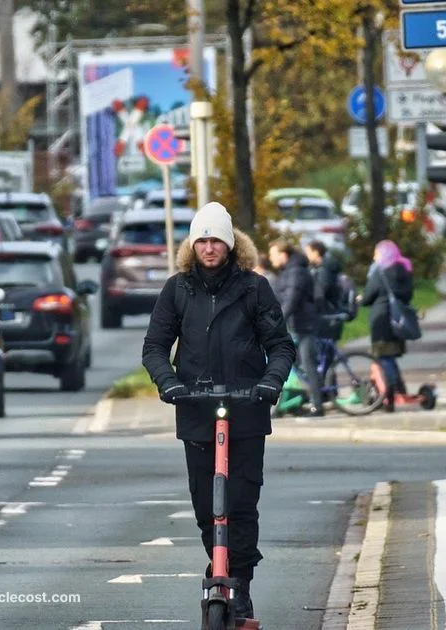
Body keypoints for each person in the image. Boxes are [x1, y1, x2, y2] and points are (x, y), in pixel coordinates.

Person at [142, 202, 296, 620]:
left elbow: (281, 346)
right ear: (193, 245)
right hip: (195, 410)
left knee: (242, 502)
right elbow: (155, 347)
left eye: (216, 240)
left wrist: (269, 383)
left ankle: (239, 583)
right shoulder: (177, 290)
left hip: (246, 410)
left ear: (230, 244)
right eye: (202, 240)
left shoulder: (253, 288)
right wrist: (169, 383)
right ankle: (219, 566)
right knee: (205, 505)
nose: (209, 248)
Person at [268, 240, 325, 416]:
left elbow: (291, 300)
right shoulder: (287, 272)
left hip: (304, 325)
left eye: (273, 255)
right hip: (296, 325)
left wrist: (277, 322)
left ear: (283, 255)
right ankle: (297, 400)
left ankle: (318, 405)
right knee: (293, 365)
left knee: (308, 364)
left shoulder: (296, 272)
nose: (271, 259)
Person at [360, 240, 415, 411]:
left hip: (382, 320)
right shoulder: (403, 270)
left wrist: (361, 299)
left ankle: (388, 396)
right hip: (397, 320)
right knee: (390, 358)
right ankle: (400, 390)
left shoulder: (379, 272)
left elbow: (368, 296)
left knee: (384, 359)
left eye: (376, 253)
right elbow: (408, 295)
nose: (374, 256)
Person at [305, 240, 345, 341]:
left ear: (316, 253)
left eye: (308, 252)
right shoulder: (320, 269)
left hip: (326, 316)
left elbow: (319, 293)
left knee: (323, 353)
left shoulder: (324, 271)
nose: (306, 255)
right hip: (329, 315)